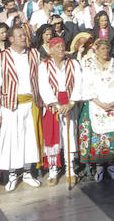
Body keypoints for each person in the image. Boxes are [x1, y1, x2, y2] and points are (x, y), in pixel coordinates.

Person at [0, 25, 44, 190]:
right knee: (12, 139)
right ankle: (13, 174)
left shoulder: (34, 54)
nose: (24, 38)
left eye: (25, 35)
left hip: (31, 103)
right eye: (20, 36)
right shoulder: (2, 57)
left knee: (30, 138)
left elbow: (40, 79)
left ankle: (28, 172)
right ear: (11, 39)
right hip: (10, 105)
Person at [78, 38, 114, 181]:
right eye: (102, 49)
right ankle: (99, 166)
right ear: (96, 50)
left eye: (107, 49)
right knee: (98, 138)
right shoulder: (89, 65)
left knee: (113, 134)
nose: (105, 51)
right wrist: (100, 104)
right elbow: (86, 86)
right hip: (96, 104)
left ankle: (111, 165)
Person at [38, 36, 83, 185]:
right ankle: (53, 170)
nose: (61, 49)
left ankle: (70, 169)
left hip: (69, 103)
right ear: (50, 50)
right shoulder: (44, 66)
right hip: (53, 105)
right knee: (52, 136)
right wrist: (56, 104)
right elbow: (43, 86)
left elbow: (78, 83)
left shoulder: (73, 63)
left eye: (63, 46)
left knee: (69, 134)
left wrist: (71, 103)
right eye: (57, 47)